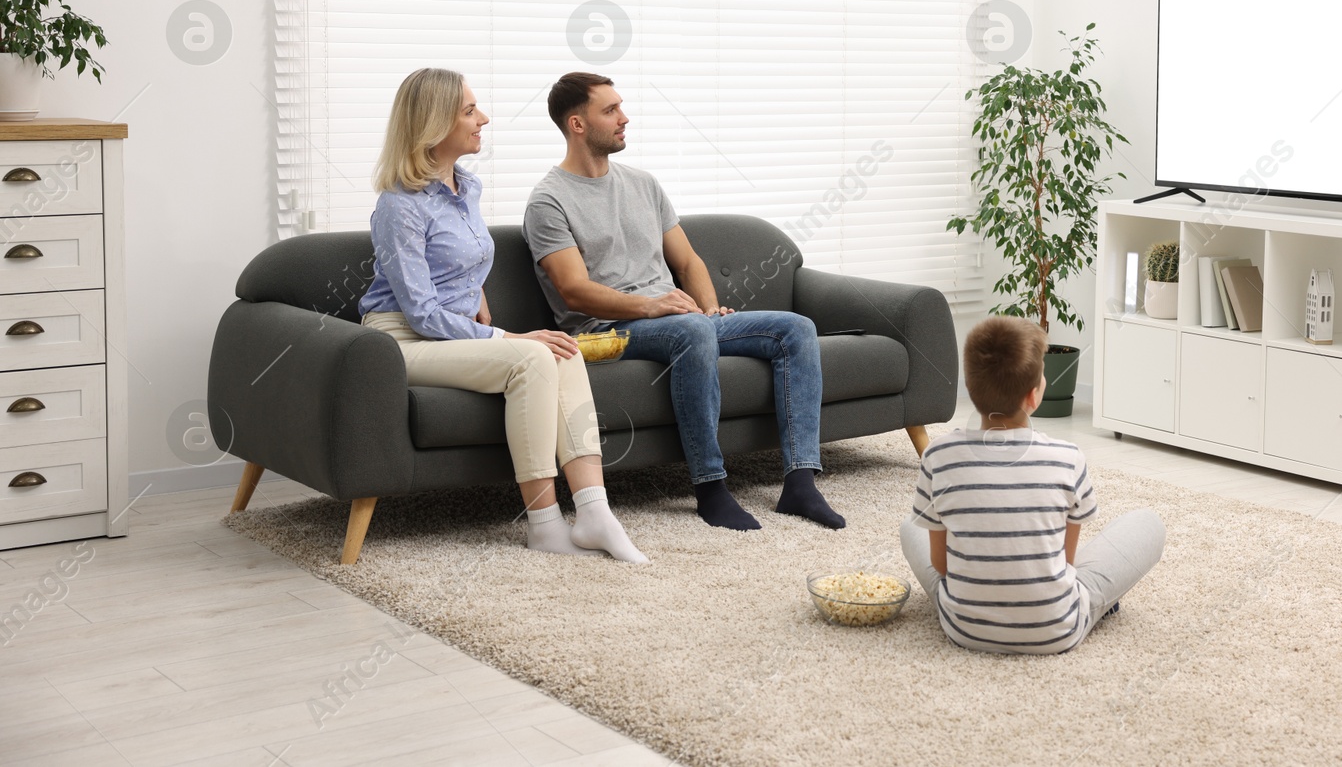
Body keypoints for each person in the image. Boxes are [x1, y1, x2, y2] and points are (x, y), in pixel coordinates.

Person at [522, 71, 843, 532]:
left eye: (621, 107)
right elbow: (574, 290)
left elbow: (689, 261)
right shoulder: (548, 201)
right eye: (610, 110)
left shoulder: (643, 184)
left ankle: (800, 483)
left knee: (795, 328)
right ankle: (710, 487)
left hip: (674, 319)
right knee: (690, 330)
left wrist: (709, 308)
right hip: (603, 332)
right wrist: (654, 307)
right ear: (577, 124)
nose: (624, 117)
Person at [358, 67, 646, 563]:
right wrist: (504, 335)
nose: (483, 119)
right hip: (399, 341)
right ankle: (543, 523)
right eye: (470, 111)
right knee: (534, 356)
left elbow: (466, 273)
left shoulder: (465, 187)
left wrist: (487, 316)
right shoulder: (399, 206)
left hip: (452, 336)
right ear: (433, 124)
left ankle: (594, 510)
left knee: (561, 347)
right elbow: (422, 311)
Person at [900, 315, 1165, 653]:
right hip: (1056, 629)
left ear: (969, 386)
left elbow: (941, 565)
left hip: (964, 628)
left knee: (911, 526)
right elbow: (1067, 562)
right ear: (1034, 395)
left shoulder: (938, 455)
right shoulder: (1068, 457)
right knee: (1148, 524)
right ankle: (1089, 604)